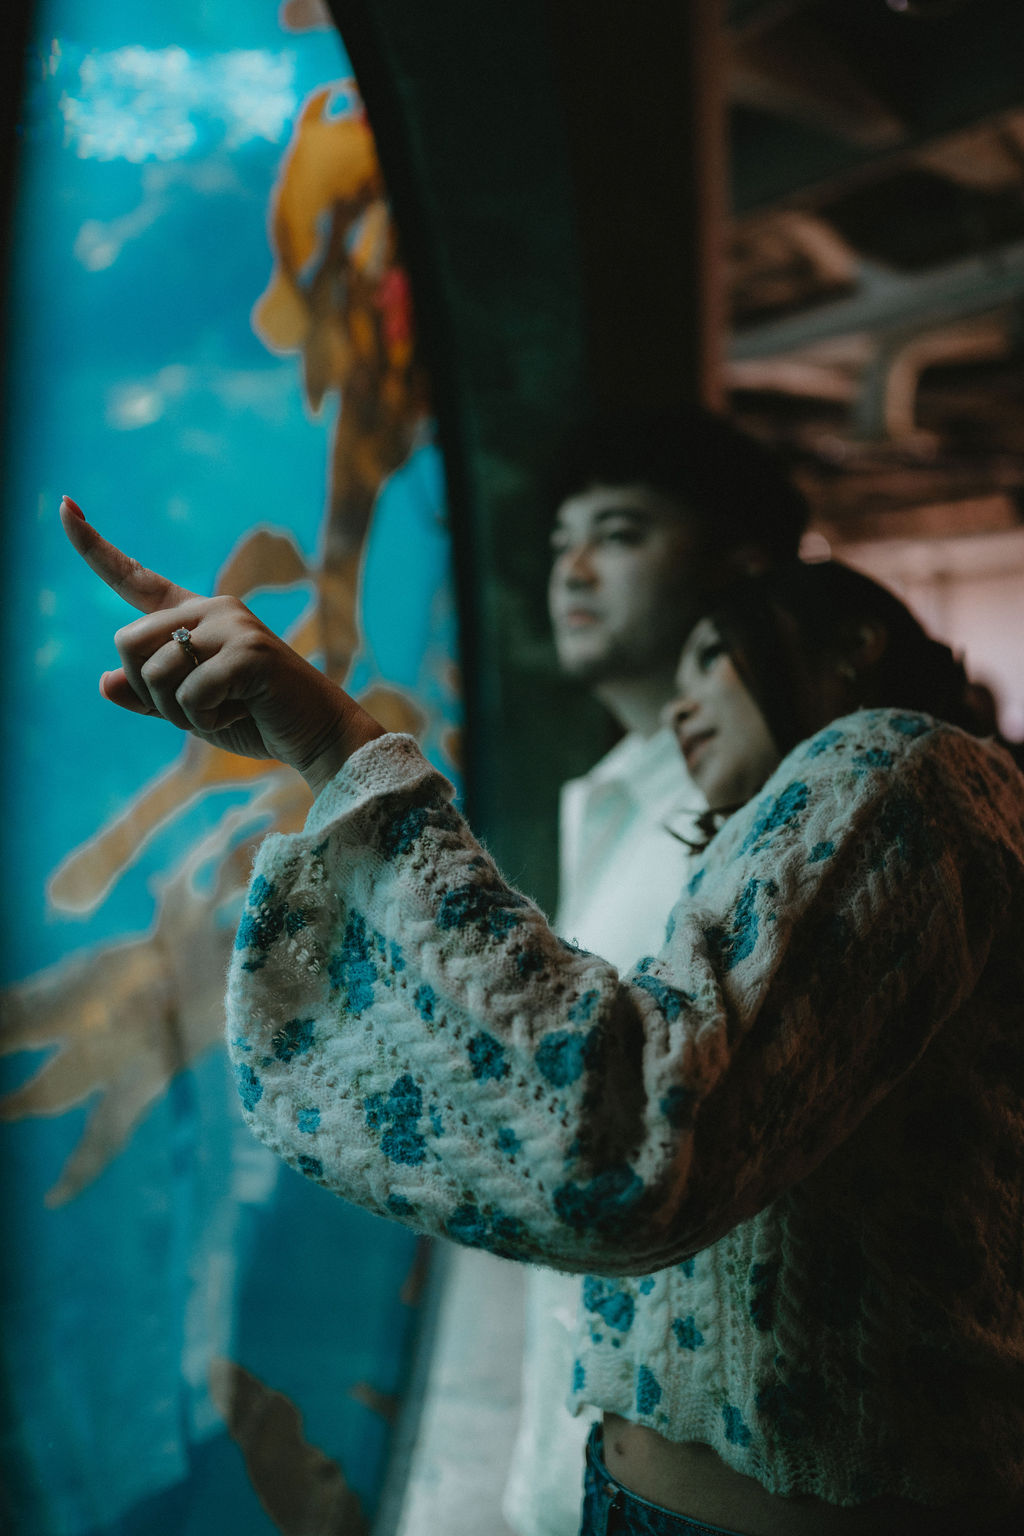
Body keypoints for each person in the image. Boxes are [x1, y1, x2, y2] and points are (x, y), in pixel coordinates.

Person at [60, 497, 1024, 1535]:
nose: (686, 698)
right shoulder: (811, 837)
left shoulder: (895, 760)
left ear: (853, 643)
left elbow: (617, 1151)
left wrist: (341, 750)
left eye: (718, 654)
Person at [506, 409, 809, 1536]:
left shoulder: (778, 824)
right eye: (559, 540)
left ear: (740, 568)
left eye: (619, 534)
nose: (572, 568)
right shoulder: (621, 805)